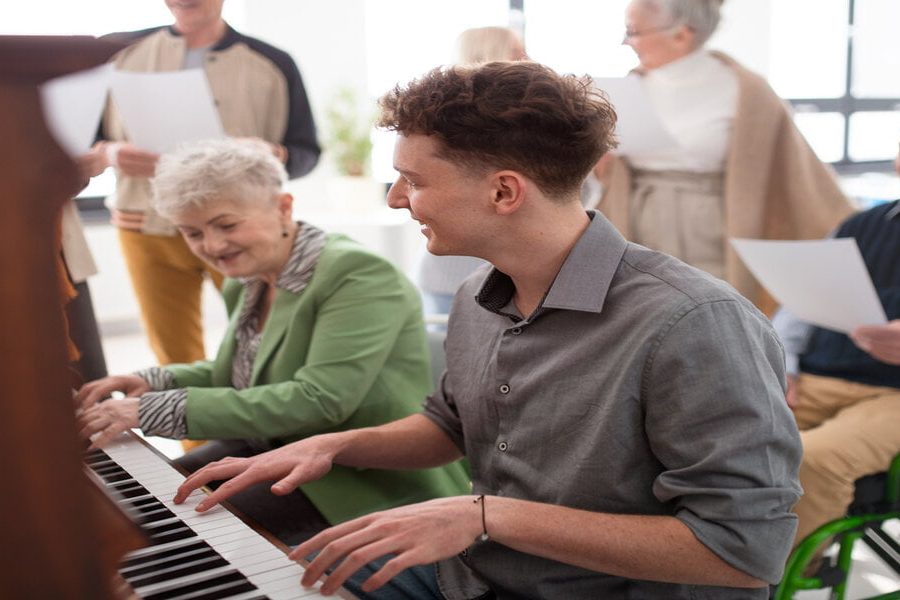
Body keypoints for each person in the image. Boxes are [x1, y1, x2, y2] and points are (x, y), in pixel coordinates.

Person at [173, 62, 802, 599]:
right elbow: (448, 426)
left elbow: (741, 554)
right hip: (475, 577)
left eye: (414, 180)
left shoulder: (694, 323)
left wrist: (486, 516)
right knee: (265, 581)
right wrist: (333, 446)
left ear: (504, 192)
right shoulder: (480, 293)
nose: (396, 199)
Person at [75, 139, 469, 546]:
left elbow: (318, 400)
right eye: (192, 232)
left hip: (355, 476)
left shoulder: (358, 275)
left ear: (283, 206)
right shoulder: (247, 277)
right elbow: (243, 371)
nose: (211, 246)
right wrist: (154, 381)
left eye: (226, 225)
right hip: (270, 450)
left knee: (162, 535)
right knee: (132, 506)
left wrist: (155, 410)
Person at [79, 0, 320, 371]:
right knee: (173, 356)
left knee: (269, 345)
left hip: (245, 225)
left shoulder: (273, 63)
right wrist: (110, 153)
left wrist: (272, 152)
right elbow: (79, 146)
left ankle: (271, 427)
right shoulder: (118, 55)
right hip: (145, 227)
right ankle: (196, 431)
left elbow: (306, 153)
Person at [595, 0, 854, 310]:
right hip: (638, 219)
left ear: (682, 34)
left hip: (713, 228)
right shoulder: (630, 86)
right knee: (640, 310)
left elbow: (795, 170)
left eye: (633, 31)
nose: (626, 43)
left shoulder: (747, 89)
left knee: (712, 313)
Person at [773, 155, 900, 552]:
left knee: (815, 459)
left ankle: (759, 584)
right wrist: (784, 367)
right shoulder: (858, 227)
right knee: (717, 436)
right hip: (815, 380)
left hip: (893, 398)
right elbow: (796, 310)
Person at [416, 26, 527, 321]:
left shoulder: (437, 120)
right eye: (519, 53)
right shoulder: (505, 126)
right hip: (458, 277)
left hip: (487, 275)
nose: (529, 60)